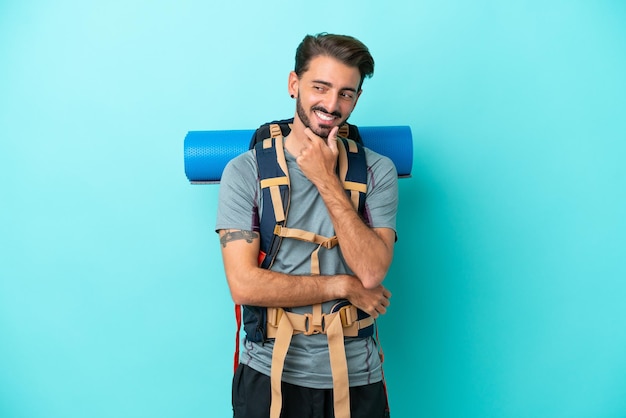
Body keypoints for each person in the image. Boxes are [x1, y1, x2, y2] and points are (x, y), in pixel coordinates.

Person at [216, 33, 398, 418]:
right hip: (269, 373)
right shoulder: (245, 172)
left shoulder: (378, 171)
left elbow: (371, 270)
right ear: (293, 85)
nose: (332, 105)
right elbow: (243, 284)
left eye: (346, 93)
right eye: (321, 87)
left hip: (356, 375)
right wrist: (340, 285)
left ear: (357, 98)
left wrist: (326, 178)